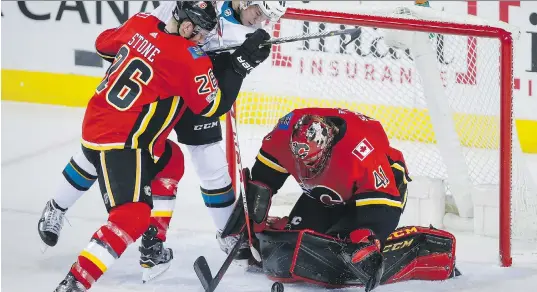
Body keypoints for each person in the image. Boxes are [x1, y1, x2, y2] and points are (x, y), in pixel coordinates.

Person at [47, 1, 272, 290]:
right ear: (188, 27)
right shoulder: (188, 58)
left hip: (106, 120)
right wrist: (240, 66)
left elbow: (104, 45)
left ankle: (153, 245)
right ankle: (75, 283)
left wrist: (146, 47)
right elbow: (214, 105)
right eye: (201, 34)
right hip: (124, 140)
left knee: (171, 159)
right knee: (132, 215)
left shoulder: (141, 23)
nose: (203, 40)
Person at [221, 107, 459, 290]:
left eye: (312, 161)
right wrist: (250, 219)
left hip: (378, 196)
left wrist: (367, 237)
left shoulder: (361, 153)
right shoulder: (284, 134)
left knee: (349, 253)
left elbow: (381, 207)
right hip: (324, 195)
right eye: (299, 159)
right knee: (295, 247)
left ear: (327, 145)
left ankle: (419, 246)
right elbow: (262, 181)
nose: (304, 167)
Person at [151, 0, 288, 257]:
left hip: (198, 93)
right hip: (159, 83)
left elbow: (224, 83)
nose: (259, 20)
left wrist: (242, 64)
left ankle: (229, 233)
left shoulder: (250, 35)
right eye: (258, 12)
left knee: (212, 166)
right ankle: (57, 206)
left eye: (266, 17)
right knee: (118, 147)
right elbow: (154, 27)